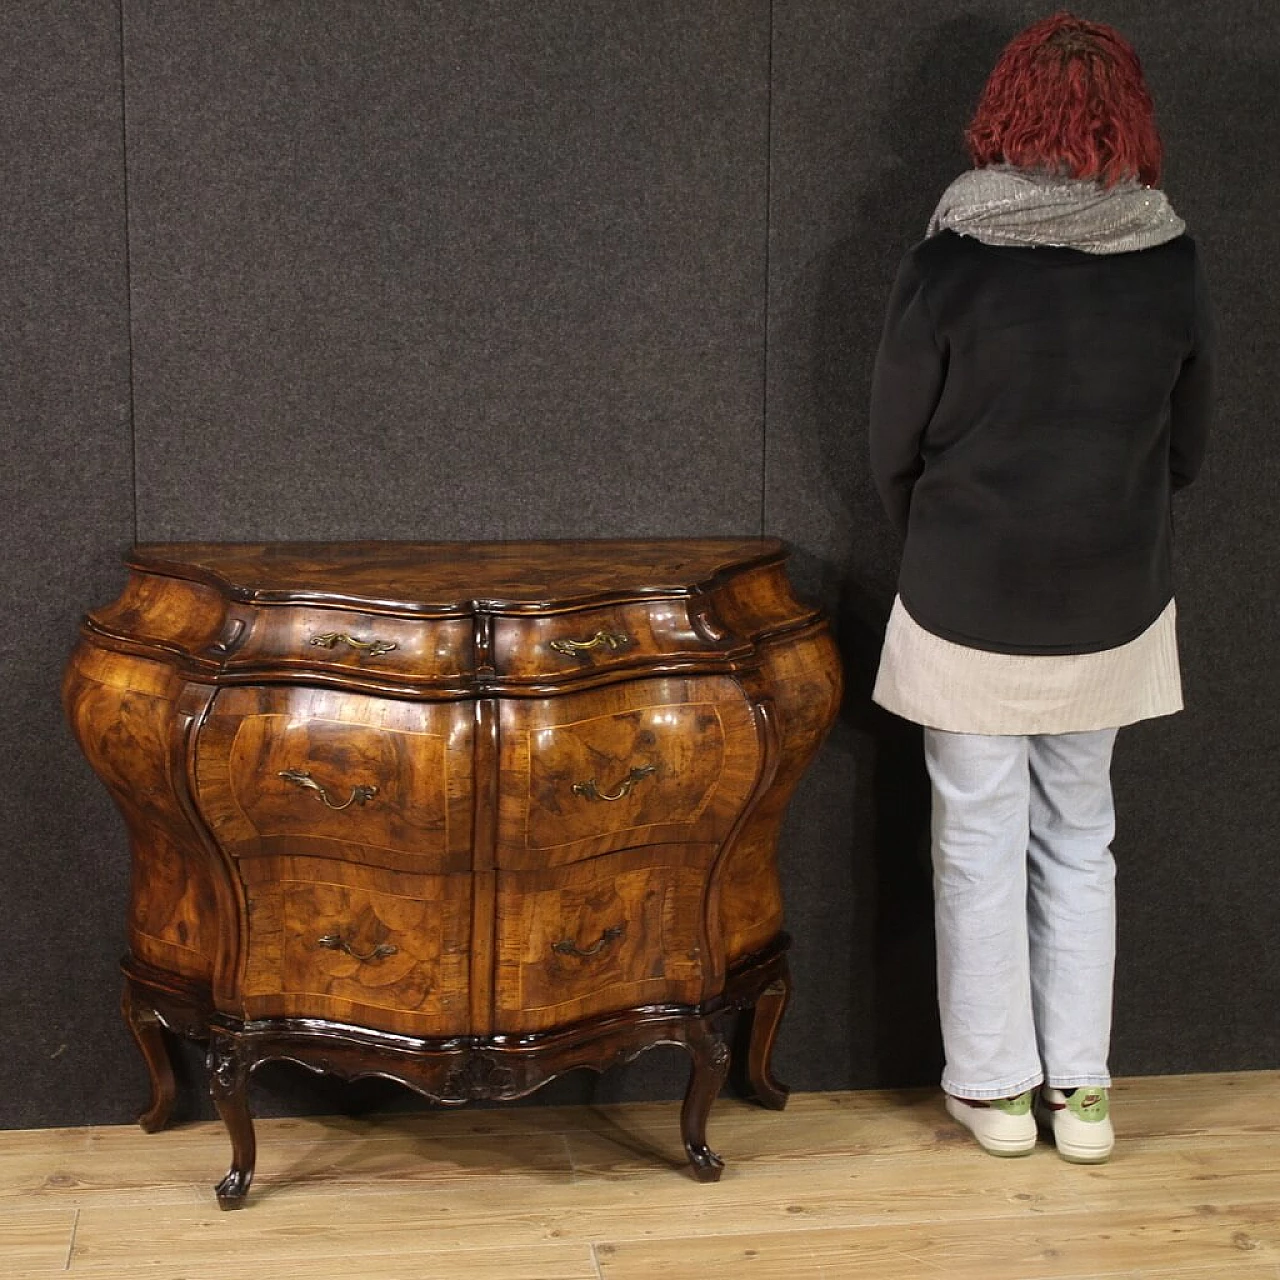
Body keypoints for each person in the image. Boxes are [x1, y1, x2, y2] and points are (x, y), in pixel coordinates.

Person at [868, 12, 1213, 1163]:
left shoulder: (949, 256)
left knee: (974, 841)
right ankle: (1084, 1095)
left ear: (1006, 113)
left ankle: (996, 1094)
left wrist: (937, 530)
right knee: (1080, 839)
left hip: (964, 594)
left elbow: (892, 445)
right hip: (1109, 601)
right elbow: (1186, 447)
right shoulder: (1168, 257)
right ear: (1126, 119)